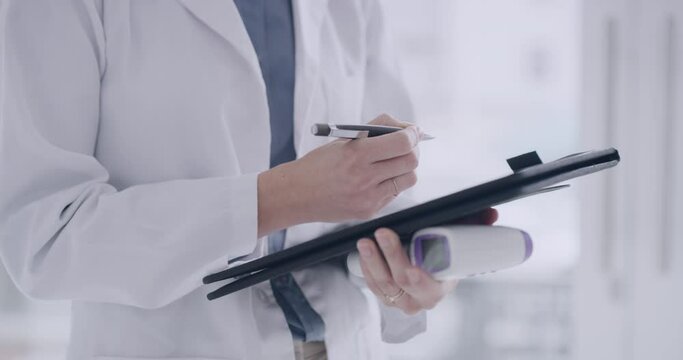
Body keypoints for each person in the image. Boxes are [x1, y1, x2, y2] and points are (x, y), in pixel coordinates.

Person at [0, 1, 496, 359]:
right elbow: (46, 238)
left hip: (337, 343)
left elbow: (374, 194)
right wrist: (278, 199)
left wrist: (411, 270)